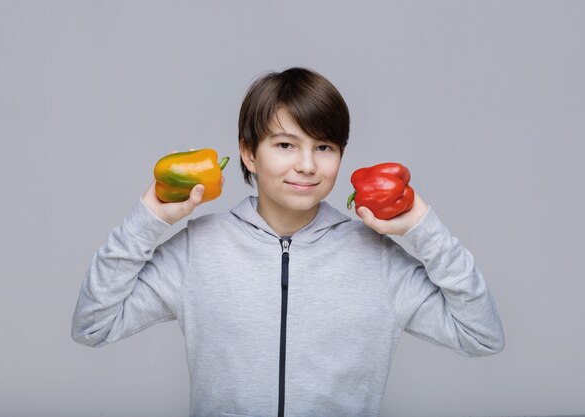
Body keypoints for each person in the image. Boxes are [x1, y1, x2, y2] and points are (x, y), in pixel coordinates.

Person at [72, 67, 505, 417]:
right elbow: (93, 324)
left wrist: (422, 228)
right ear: (248, 153)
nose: (306, 165)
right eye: (284, 144)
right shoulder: (198, 249)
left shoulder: (376, 257)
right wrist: (149, 219)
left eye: (324, 147)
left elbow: (481, 335)